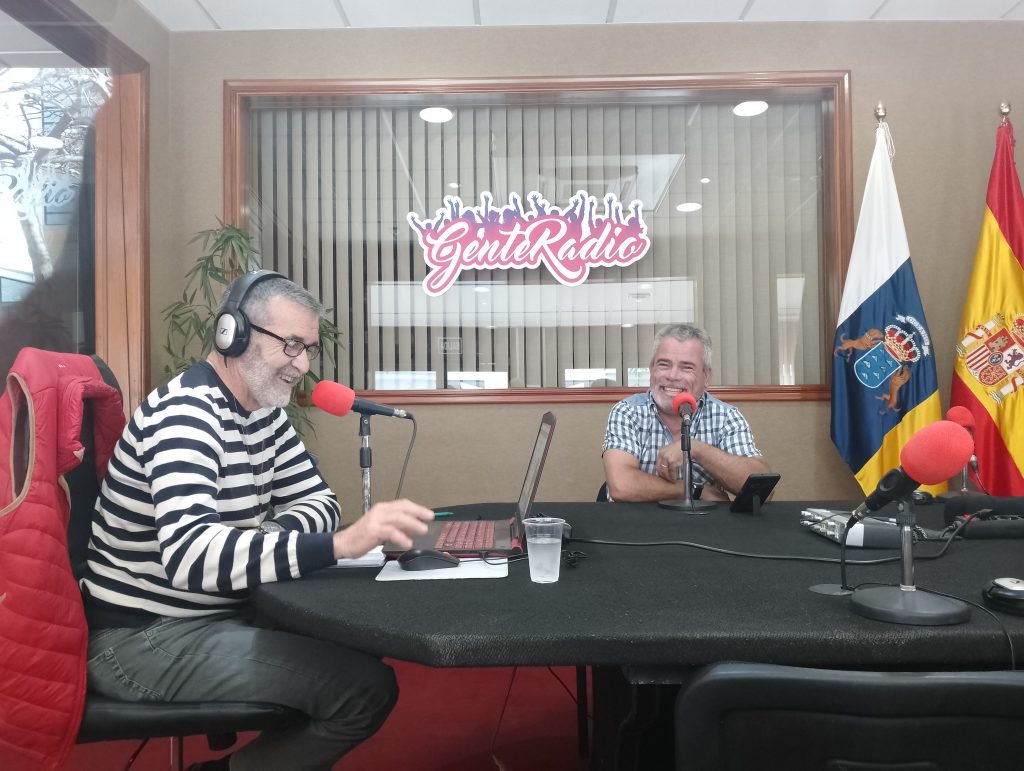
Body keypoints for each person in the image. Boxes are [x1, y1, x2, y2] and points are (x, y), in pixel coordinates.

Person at [80, 272, 435, 771]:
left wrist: (265, 536)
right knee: (364, 691)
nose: (303, 365)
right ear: (234, 334)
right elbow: (193, 558)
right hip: (142, 639)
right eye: (291, 345)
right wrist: (339, 546)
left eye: (308, 349)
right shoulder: (186, 416)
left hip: (214, 617)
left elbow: (320, 501)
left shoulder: (263, 411)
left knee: (357, 644)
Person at [602, 323, 770, 502]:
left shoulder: (726, 417)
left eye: (687, 367)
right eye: (664, 364)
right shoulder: (627, 412)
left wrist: (696, 449)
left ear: (706, 376)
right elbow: (621, 486)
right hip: (637, 519)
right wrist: (694, 490)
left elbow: (761, 490)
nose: (673, 376)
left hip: (703, 520)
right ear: (651, 370)